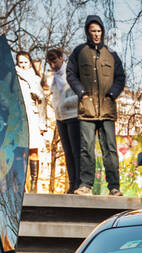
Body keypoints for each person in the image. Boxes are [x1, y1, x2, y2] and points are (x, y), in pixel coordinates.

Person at [67, 15, 126, 196]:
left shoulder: (112, 53)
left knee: (110, 149)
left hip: (107, 109)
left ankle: (114, 187)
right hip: (87, 109)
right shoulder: (79, 52)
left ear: (103, 32)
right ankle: (85, 185)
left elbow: (120, 77)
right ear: (87, 32)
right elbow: (70, 74)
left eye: (99, 31)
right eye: (93, 31)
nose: (96, 34)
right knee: (86, 148)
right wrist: (82, 93)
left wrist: (112, 94)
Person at [45, 48, 81, 193]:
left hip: (73, 116)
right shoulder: (53, 78)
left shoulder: (71, 73)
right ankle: (72, 184)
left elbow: (80, 94)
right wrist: (56, 107)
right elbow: (54, 97)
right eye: (49, 62)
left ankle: (79, 183)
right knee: (67, 152)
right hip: (60, 118)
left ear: (61, 58)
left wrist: (65, 103)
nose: (52, 65)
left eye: (54, 60)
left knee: (76, 152)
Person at [15, 51, 45, 191]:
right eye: (20, 62)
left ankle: (34, 184)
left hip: (32, 117)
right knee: (19, 151)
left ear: (30, 63)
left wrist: (42, 124)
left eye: (25, 62)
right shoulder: (14, 78)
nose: (23, 65)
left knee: (33, 150)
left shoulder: (36, 79)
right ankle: (21, 184)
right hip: (18, 118)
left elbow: (42, 102)